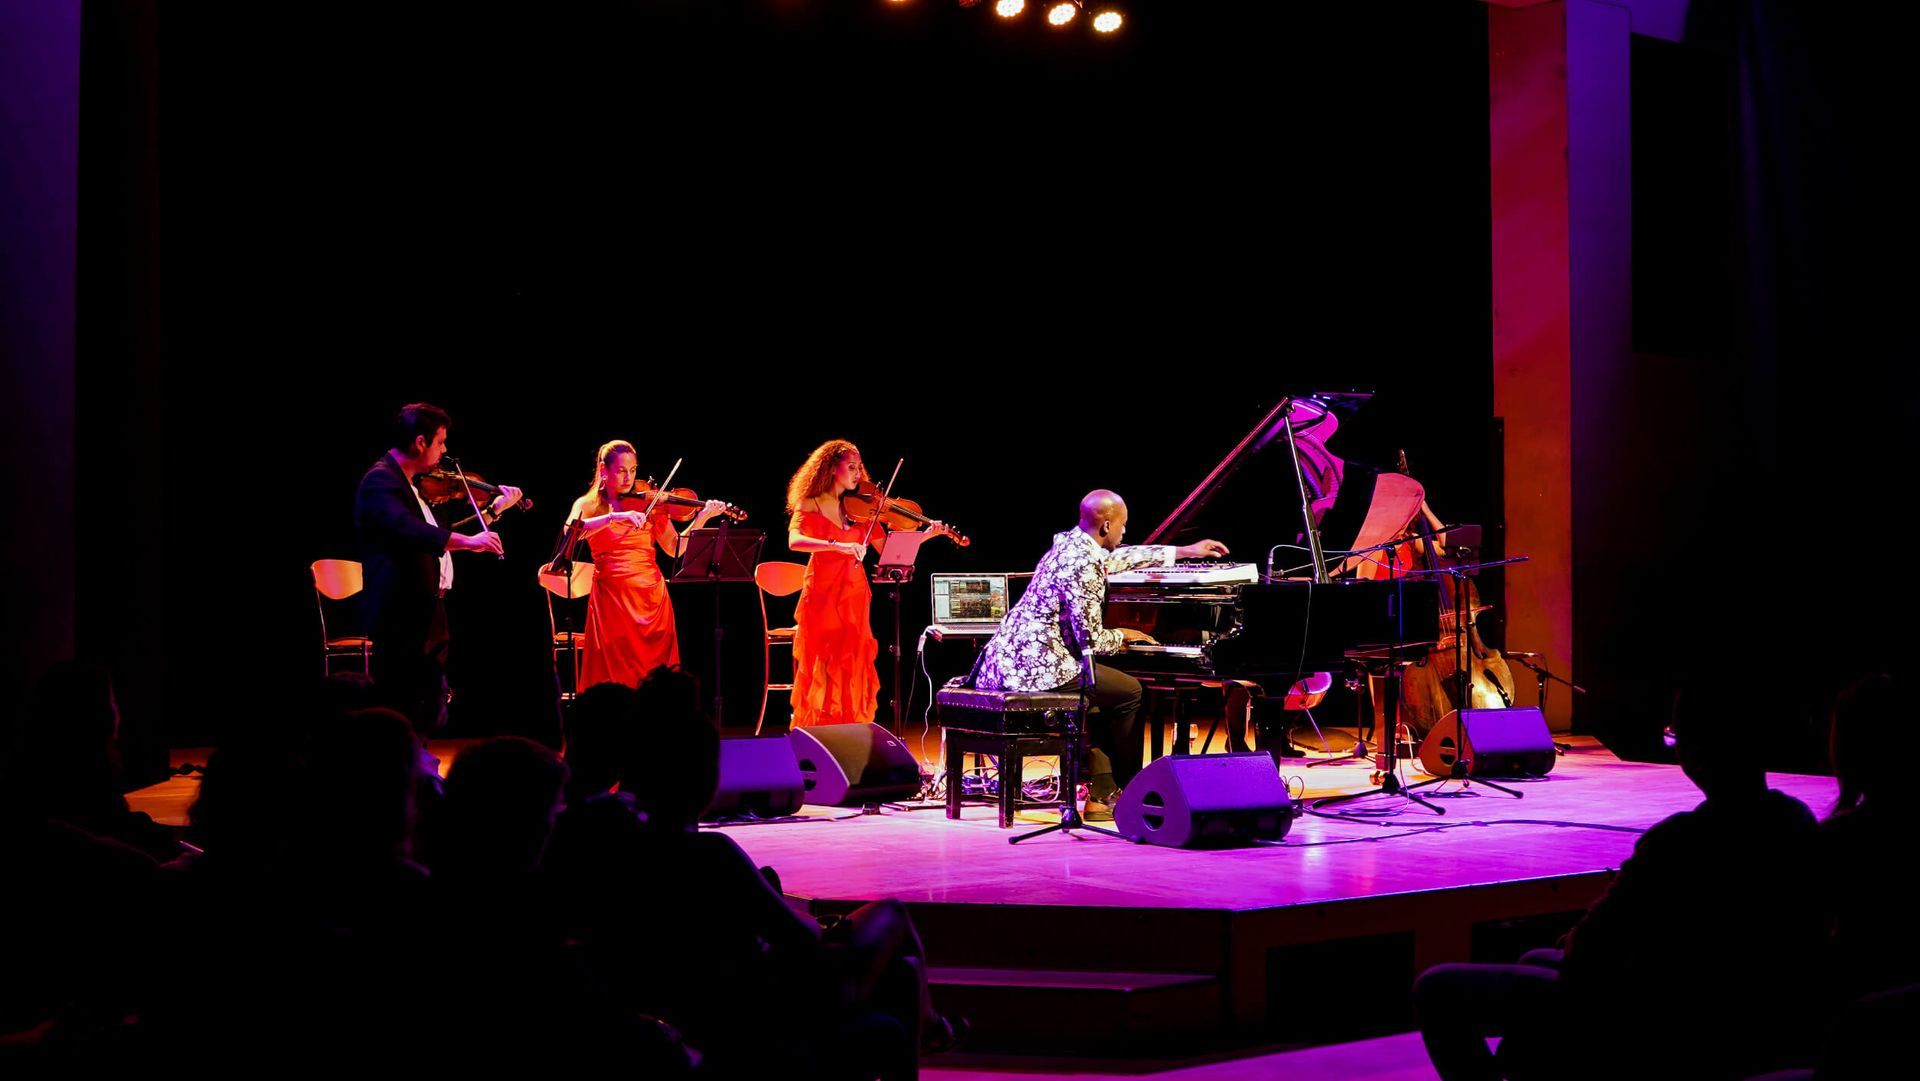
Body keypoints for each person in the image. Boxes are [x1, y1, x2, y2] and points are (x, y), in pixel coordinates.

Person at [969, 490, 1228, 819]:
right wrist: (1125, 636)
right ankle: (1131, 789)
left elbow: (1121, 557)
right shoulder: (1084, 566)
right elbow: (1092, 640)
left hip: (1006, 663)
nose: (1125, 533)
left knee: (1100, 690)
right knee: (1129, 692)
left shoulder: (1071, 545)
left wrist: (1185, 551)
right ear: (1106, 525)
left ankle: (1102, 793)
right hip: (1037, 668)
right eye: (1122, 525)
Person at [354, 403, 520, 732]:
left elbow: (443, 533)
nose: (445, 451)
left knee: (424, 699)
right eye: (441, 442)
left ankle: (416, 763)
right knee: (403, 700)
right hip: (401, 611)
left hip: (425, 609)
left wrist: (494, 510)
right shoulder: (381, 481)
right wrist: (470, 542)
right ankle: (402, 768)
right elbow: (407, 529)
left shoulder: (410, 485)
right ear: (420, 442)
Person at [784, 440, 952, 728]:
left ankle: (850, 725)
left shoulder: (864, 510)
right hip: (822, 592)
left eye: (859, 468)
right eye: (850, 467)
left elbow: (888, 551)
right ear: (830, 467)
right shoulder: (811, 502)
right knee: (823, 660)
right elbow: (795, 541)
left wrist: (926, 535)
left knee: (851, 660)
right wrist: (837, 545)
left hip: (854, 592)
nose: (857, 473)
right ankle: (820, 728)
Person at [551, 440, 728, 688]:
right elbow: (573, 533)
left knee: (656, 677)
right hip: (613, 600)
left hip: (652, 599)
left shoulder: (649, 504)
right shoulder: (588, 505)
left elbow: (675, 547)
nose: (629, 478)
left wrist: (702, 518)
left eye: (633, 470)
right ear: (604, 469)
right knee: (614, 676)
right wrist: (613, 516)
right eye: (622, 470)